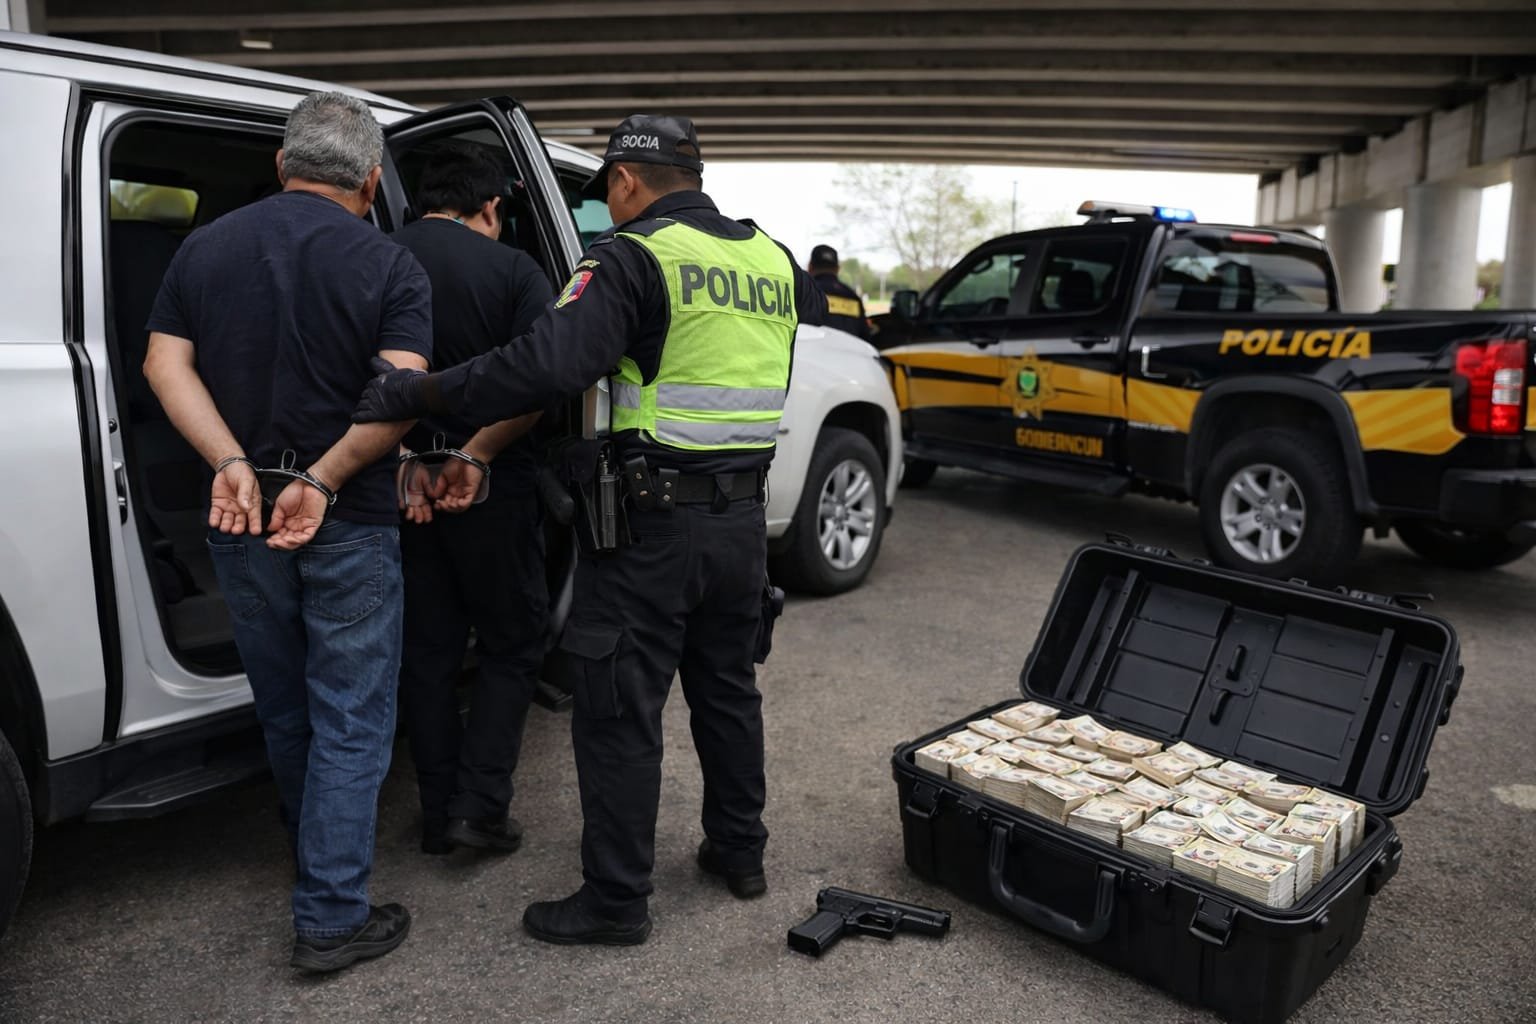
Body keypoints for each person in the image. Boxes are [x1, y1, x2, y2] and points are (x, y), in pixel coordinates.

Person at [353, 114, 825, 946]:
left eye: (608, 187)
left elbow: (544, 364)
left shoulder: (630, 256)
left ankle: (614, 901)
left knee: (617, 711)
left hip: (651, 529)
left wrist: (418, 396)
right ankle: (740, 852)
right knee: (727, 691)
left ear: (628, 182)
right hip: (742, 524)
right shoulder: (770, 259)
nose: (608, 203)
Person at [142, 91, 431, 973]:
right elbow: (399, 394)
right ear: (373, 180)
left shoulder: (205, 246)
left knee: (287, 705)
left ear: (281, 164)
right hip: (349, 519)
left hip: (240, 515)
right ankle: (332, 913)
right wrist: (324, 477)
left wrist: (232, 462)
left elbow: (164, 362)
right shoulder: (391, 264)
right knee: (351, 719)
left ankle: (314, 855)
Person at [388, 143, 554, 856]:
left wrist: (401, 460)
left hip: (400, 490)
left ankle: (434, 812)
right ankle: (477, 811)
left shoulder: (380, 257)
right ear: (490, 207)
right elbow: (545, 379)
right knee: (512, 644)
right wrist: (475, 453)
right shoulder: (515, 268)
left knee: (427, 649)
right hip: (494, 487)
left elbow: (350, 378)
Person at [807, 244, 871, 340]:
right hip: (850, 354)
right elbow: (865, 337)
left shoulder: (805, 292)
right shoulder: (853, 297)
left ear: (810, 267)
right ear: (837, 269)